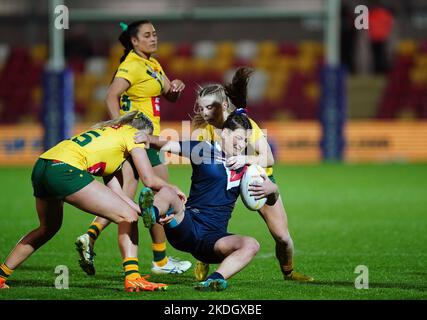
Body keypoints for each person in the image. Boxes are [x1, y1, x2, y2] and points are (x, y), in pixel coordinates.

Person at [0, 111, 185, 292]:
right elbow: (149, 179)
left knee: (47, 228)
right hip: (65, 170)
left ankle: (1, 276)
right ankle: (133, 278)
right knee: (127, 218)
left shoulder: (109, 136)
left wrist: (142, 211)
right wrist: (172, 188)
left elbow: (118, 194)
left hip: (42, 166)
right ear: (143, 133)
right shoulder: (132, 135)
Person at [75, 20, 191, 276]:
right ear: (134, 41)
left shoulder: (153, 64)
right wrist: (119, 127)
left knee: (123, 198)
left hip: (140, 139)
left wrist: (176, 88)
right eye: (147, 35)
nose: (154, 38)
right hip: (141, 138)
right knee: (163, 196)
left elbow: (169, 93)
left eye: (155, 34)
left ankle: (90, 235)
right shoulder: (132, 64)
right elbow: (110, 95)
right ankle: (160, 261)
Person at [191, 67, 313, 282]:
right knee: (207, 223)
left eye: (209, 108)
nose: (204, 113)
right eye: (202, 108)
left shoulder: (246, 126)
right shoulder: (209, 128)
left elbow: (269, 158)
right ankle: (205, 257)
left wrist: (244, 159)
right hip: (227, 180)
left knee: (283, 238)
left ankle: (289, 272)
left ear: (224, 106)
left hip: (257, 181)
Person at [135, 111, 280, 291]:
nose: (242, 145)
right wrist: (146, 137)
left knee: (251, 244)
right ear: (225, 133)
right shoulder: (202, 149)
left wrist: (272, 190)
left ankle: (214, 279)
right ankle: (152, 213)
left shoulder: (248, 169)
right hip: (186, 225)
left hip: (213, 241)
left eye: (245, 141)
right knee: (169, 191)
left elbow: (270, 200)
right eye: (239, 138)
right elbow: (167, 143)